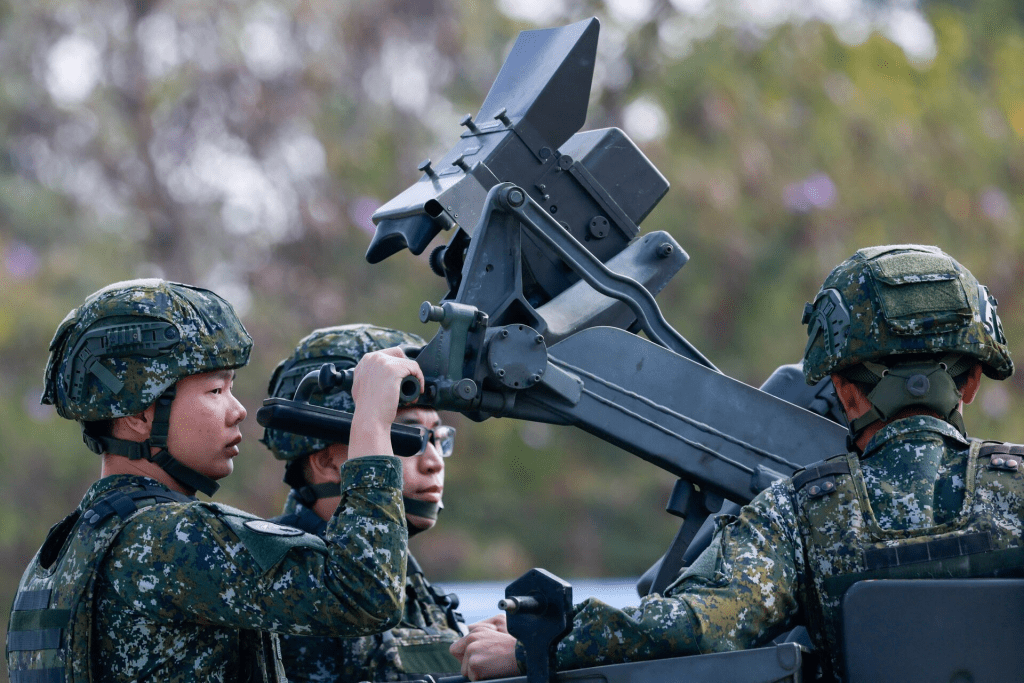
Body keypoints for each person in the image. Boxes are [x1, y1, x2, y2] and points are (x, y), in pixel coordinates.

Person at [451, 244, 1017, 682]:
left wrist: (538, 646)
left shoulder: (799, 515)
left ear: (845, 391)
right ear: (969, 384)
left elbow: (698, 626)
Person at [6, 280, 415, 682]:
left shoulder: (59, 554)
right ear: (138, 415)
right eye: (216, 389)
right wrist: (372, 425)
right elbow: (366, 595)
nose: (237, 410)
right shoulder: (172, 535)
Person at [263, 324, 467, 682]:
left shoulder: (407, 576)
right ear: (326, 462)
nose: (435, 461)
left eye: (438, 437)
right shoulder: (289, 576)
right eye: (407, 438)